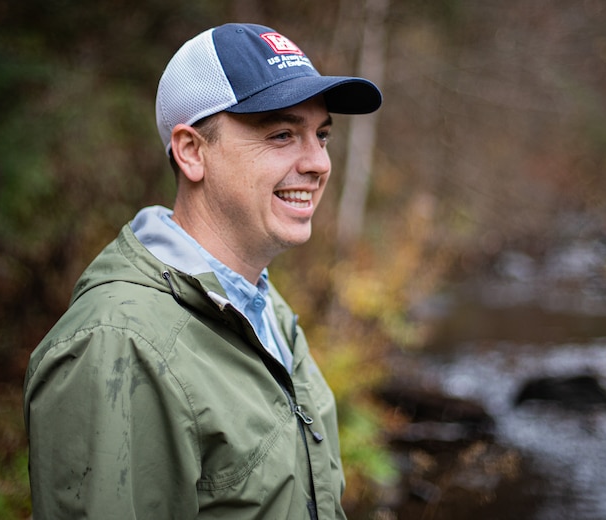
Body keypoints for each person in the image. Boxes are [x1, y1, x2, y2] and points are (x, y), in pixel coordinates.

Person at [23, 22, 381, 519]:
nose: (318, 161)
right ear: (192, 151)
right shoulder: (116, 345)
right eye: (282, 134)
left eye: (321, 136)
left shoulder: (259, 305)